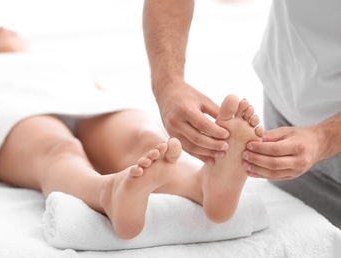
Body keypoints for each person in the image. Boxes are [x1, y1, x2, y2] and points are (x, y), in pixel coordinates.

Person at [0, 27, 263, 239]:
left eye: (10, 30)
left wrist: (121, 110)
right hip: (13, 110)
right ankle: (106, 193)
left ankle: (204, 184)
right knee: (58, 149)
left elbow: (101, 91)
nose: (2, 28)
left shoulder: (58, 59)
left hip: (87, 101)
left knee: (142, 139)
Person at [142, 0, 341, 228]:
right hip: (286, 113)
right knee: (136, 134)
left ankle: (105, 189)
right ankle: (198, 184)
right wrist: (167, 82)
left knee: (135, 134)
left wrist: (325, 138)